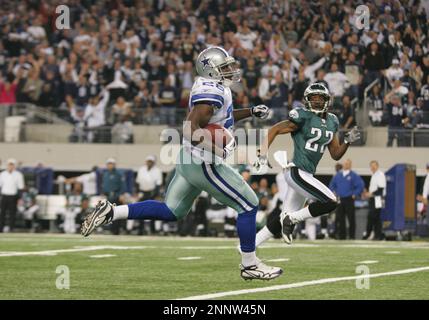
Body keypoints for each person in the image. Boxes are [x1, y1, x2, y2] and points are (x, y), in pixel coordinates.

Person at [81, 46, 282, 281]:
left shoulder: (212, 89)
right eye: (224, 67)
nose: (230, 70)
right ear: (210, 70)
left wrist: (249, 111)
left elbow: (222, 117)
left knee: (171, 211)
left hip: (188, 160)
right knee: (249, 204)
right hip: (203, 162)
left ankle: (112, 212)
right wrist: (218, 147)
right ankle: (250, 265)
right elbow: (189, 128)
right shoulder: (210, 93)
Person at [253, 83, 361, 246]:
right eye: (313, 98)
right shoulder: (302, 116)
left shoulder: (332, 121)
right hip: (296, 171)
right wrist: (261, 153)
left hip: (307, 174)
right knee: (331, 201)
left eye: (320, 98)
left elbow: (335, 154)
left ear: (327, 100)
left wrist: (346, 141)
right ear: (307, 100)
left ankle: (249, 245)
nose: (317, 101)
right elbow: (274, 129)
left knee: (281, 219)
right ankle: (292, 219)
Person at [329, 159, 365, 239]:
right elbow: (331, 185)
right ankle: (342, 236)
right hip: (340, 199)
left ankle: (352, 236)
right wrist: (333, 193)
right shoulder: (338, 175)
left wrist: (355, 194)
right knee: (340, 218)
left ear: (350, 165)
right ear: (343, 164)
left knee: (351, 218)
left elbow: (360, 185)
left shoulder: (354, 175)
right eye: (345, 163)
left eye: (348, 164)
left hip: (349, 199)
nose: (346, 165)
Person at [135, 155, 163, 235]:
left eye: (151, 161)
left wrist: (155, 194)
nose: (149, 163)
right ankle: (140, 229)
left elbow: (158, 184)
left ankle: (152, 230)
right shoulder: (141, 169)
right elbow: (137, 182)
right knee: (140, 211)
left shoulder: (157, 171)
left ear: (153, 162)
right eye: (148, 161)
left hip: (152, 193)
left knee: (152, 212)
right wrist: (138, 192)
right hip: (143, 192)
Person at [362, 160, 386, 240]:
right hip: (373, 198)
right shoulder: (374, 175)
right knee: (376, 218)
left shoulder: (380, 175)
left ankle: (369, 234)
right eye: (371, 166)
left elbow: (380, 189)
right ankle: (378, 235)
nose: (372, 167)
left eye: (374, 166)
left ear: (377, 166)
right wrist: (369, 194)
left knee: (372, 216)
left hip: (377, 199)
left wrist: (370, 194)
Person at [101, 158, 126, 235]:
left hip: (116, 195)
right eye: (108, 164)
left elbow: (122, 185)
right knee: (109, 213)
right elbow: (104, 185)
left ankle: (117, 230)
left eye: (111, 163)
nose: (110, 165)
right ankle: (111, 229)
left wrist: (121, 194)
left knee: (116, 213)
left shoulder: (118, 174)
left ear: (114, 164)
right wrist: (103, 194)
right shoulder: (105, 174)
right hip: (108, 196)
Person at [0, 158, 25, 232]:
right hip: (4, 196)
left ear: (14, 166)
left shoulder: (18, 175)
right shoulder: (2, 174)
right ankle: (1, 228)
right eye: (9, 165)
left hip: (13, 197)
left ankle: (11, 229)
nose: (10, 166)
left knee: (12, 214)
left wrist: (20, 198)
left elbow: (20, 187)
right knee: (2, 213)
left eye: (12, 165)